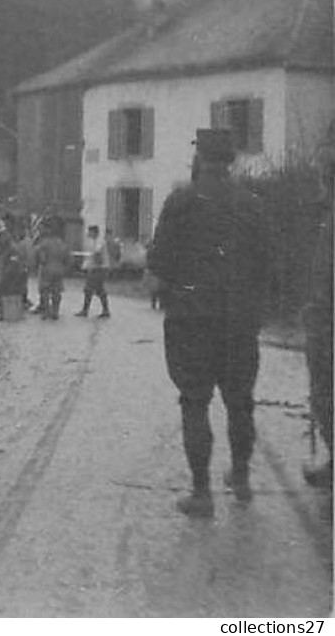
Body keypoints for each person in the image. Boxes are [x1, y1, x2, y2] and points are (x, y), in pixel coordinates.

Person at [148, 128, 268, 517]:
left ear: (199, 158)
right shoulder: (252, 205)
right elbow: (269, 268)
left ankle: (201, 493)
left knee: (194, 403)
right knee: (240, 403)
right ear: (231, 161)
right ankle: (242, 478)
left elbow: (158, 269)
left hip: (190, 321)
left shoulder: (180, 202)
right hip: (239, 322)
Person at [302, 156, 333, 489]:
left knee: (324, 394)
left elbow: (324, 283)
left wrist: (314, 316)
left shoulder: (330, 224)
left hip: (329, 327)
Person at [34, 218, 70, 321]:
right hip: (59, 270)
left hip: (47, 269)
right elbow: (67, 257)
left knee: (44, 291)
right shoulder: (61, 242)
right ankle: (55, 312)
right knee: (56, 291)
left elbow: (42, 258)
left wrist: (40, 263)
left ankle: (45, 312)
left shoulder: (44, 243)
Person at [76, 225, 112, 318]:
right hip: (101, 268)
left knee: (89, 289)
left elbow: (97, 256)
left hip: (98, 269)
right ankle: (105, 310)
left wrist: (90, 267)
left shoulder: (98, 242)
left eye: (90, 232)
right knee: (100, 289)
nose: (88, 234)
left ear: (94, 232)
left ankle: (85, 310)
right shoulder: (95, 242)